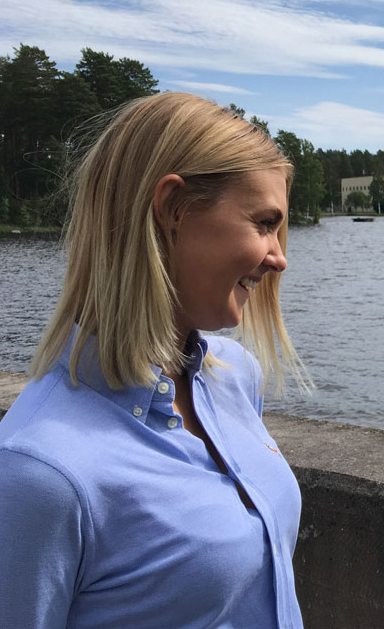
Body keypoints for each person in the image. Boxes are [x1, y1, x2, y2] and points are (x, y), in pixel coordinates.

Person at [0, 92, 311, 628]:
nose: (279, 257)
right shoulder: (42, 472)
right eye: (264, 224)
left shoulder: (236, 377)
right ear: (173, 209)